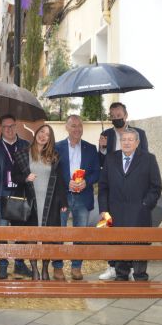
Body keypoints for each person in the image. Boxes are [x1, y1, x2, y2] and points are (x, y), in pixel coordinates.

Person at [98, 128, 162, 281]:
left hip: (139, 212)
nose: (126, 142)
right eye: (124, 139)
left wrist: (145, 204)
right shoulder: (111, 159)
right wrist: (104, 210)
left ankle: (140, 275)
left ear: (137, 142)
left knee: (139, 244)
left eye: (130, 139)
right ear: (120, 142)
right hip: (115, 212)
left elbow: (156, 186)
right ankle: (121, 275)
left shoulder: (148, 159)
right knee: (119, 244)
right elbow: (103, 186)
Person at [98, 101, 149, 280]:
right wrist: (102, 149)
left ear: (125, 115)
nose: (116, 118)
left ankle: (137, 269)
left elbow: (145, 162)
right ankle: (113, 267)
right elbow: (102, 165)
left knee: (136, 234)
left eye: (119, 115)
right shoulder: (106, 134)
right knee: (112, 232)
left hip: (135, 194)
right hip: (115, 193)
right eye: (112, 116)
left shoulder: (139, 134)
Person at [11, 124, 68, 280]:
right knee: (32, 236)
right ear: (36, 133)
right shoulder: (23, 154)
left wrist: (63, 202)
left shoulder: (54, 156)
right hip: (31, 202)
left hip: (50, 202)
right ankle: (34, 268)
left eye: (47, 135)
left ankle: (45, 268)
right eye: (42, 132)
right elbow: (14, 177)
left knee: (48, 237)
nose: (43, 136)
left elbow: (60, 180)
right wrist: (24, 178)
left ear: (50, 139)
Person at [0, 114, 32, 279]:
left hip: (21, 193)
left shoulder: (25, 145)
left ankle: (19, 264)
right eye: (5, 127)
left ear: (16, 126)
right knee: (2, 231)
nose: (9, 130)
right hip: (2, 193)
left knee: (20, 231)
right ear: (0, 128)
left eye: (12, 126)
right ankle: (3, 265)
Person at [54, 115, 100, 280]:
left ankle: (76, 267)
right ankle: (58, 267)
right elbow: (53, 172)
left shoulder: (90, 148)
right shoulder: (56, 147)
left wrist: (86, 182)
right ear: (66, 128)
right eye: (73, 126)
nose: (77, 129)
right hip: (62, 197)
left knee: (80, 235)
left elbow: (97, 172)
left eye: (80, 126)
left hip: (82, 196)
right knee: (58, 234)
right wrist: (68, 184)